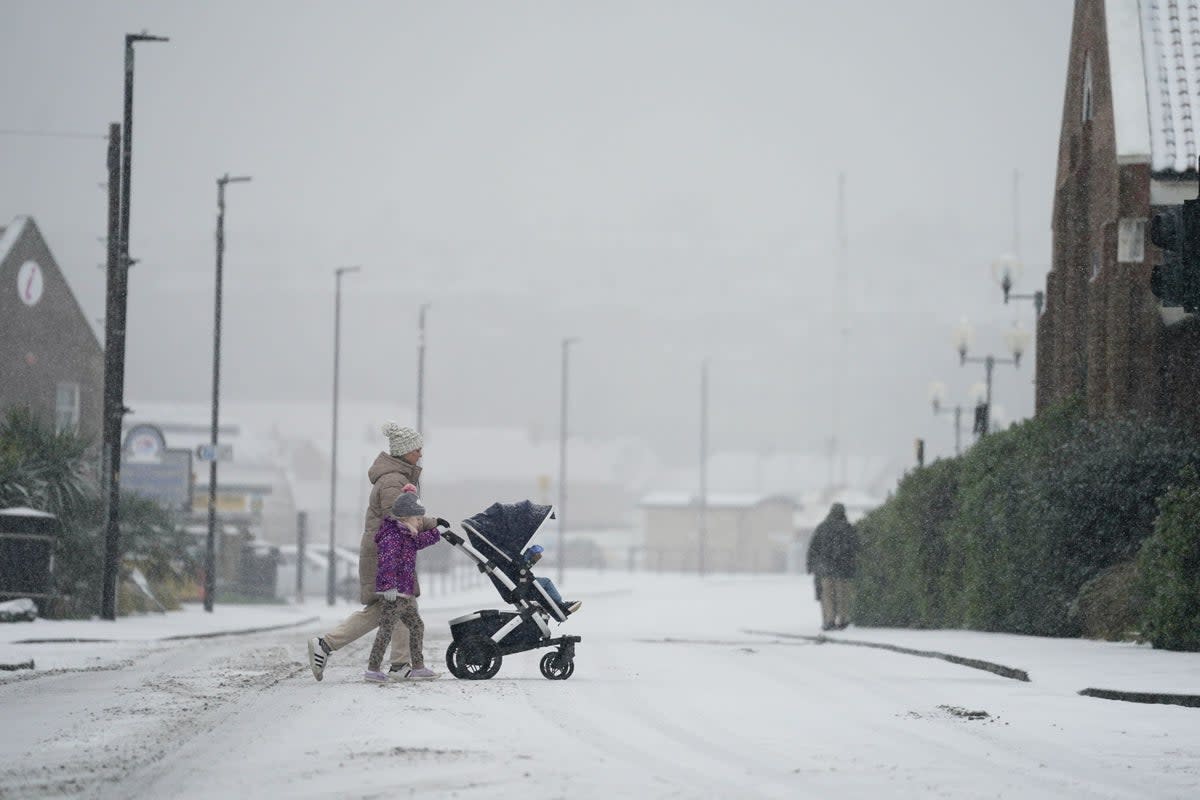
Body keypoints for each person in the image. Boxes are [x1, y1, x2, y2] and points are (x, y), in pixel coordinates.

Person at [308, 422, 441, 681]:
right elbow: (402, 517)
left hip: (389, 552)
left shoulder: (398, 478)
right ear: (404, 452)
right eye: (417, 450)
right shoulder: (393, 481)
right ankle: (328, 645)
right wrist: (433, 524)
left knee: (399, 607)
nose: (421, 454)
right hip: (386, 555)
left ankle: (399, 665)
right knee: (388, 609)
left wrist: (432, 526)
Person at [364, 490, 442, 682]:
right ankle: (372, 669)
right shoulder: (392, 537)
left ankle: (418, 667)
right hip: (394, 594)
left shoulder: (408, 535)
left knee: (416, 626)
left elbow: (425, 539)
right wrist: (389, 586)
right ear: (406, 517)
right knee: (386, 630)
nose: (419, 523)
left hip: (405, 595)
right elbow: (386, 563)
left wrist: (437, 528)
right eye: (417, 519)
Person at [806, 502, 860, 631]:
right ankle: (843, 619)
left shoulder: (822, 527)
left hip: (825, 569)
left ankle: (829, 620)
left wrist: (810, 565)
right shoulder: (848, 528)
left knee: (827, 596)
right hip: (844, 569)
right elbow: (856, 547)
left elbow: (813, 547)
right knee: (843, 595)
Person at [520, 544, 582, 615]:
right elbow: (523, 571)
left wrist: (532, 561)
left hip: (518, 585)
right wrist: (532, 560)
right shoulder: (519, 558)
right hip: (521, 585)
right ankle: (561, 606)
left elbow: (523, 571)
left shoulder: (512, 558)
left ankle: (554, 606)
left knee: (540, 587)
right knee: (546, 582)